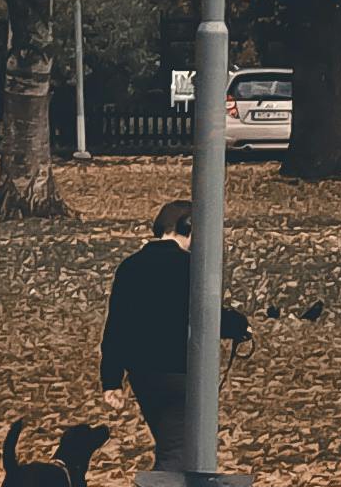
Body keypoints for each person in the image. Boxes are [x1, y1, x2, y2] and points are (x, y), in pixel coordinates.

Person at [101, 202, 240, 472]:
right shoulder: (191, 269)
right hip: (179, 372)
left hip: (143, 375)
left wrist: (111, 380)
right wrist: (238, 326)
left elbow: (116, 325)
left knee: (172, 445)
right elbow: (207, 316)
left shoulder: (130, 266)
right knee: (178, 451)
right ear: (188, 228)